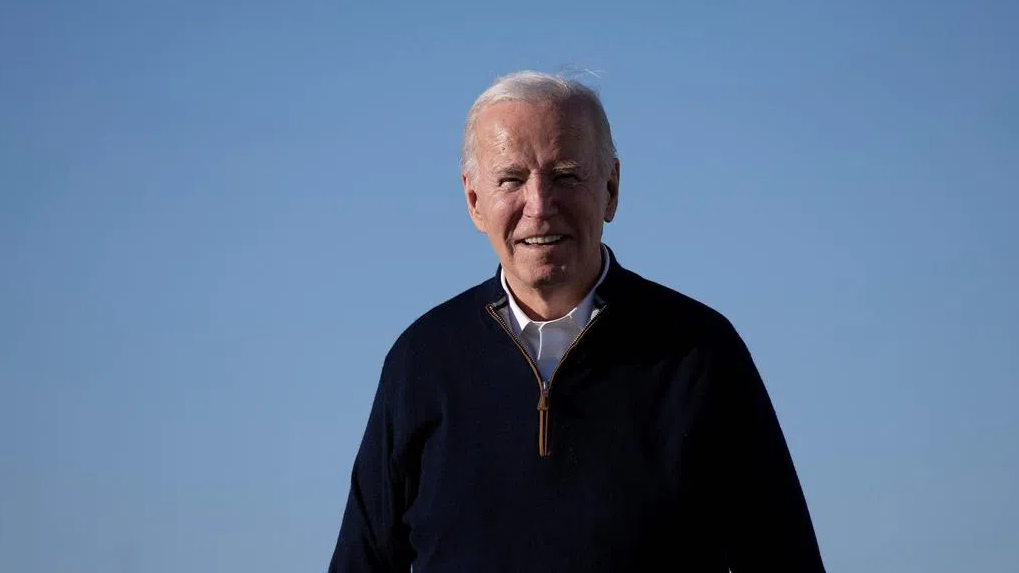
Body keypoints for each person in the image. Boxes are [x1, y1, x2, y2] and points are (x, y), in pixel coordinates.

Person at [328, 72, 825, 572]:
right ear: (474, 200)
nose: (540, 207)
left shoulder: (700, 353)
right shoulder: (422, 361)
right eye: (511, 179)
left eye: (566, 176)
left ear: (610, 188)